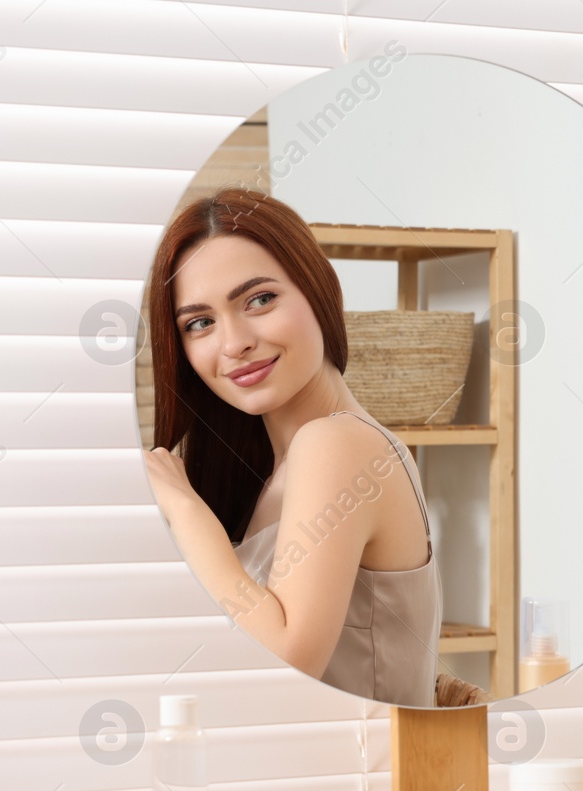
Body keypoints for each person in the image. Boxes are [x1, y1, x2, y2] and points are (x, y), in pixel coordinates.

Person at [143, 187, 446, 709]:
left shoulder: (338, 443)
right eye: (200, 323)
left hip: (366, 782)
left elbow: (290, 659)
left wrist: (185, 509)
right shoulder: (276, 468)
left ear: (320, 289)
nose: (234, 341)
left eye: (259, 300)